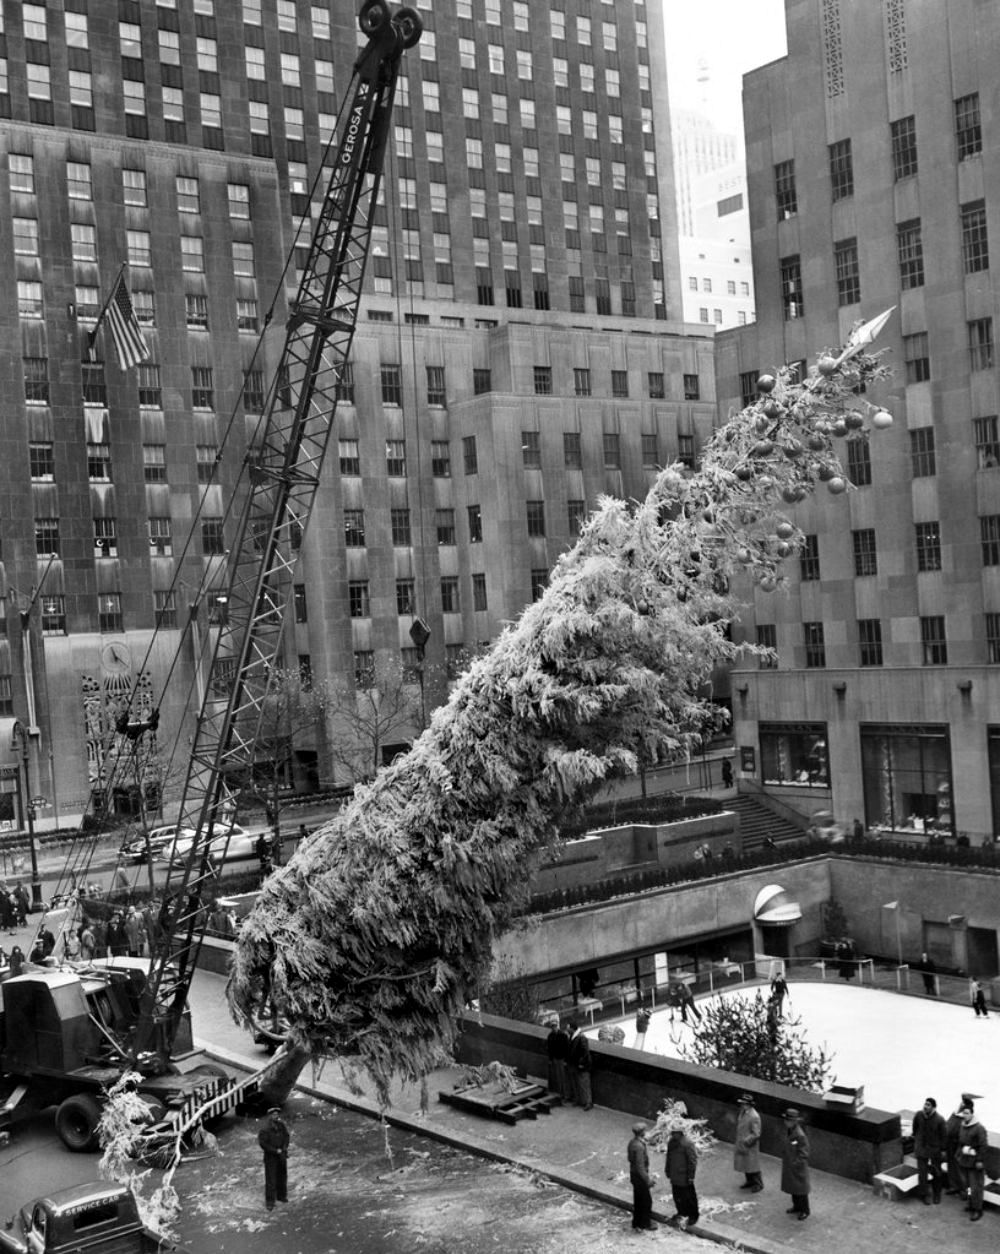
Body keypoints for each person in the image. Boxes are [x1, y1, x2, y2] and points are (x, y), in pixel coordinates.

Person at [956, 1103, 988, 1221]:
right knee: (968, 1186)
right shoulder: (962, 1126)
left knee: (976, 1187)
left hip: (975, 1163)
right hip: (965, 1161)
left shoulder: (979, 1128)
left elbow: (984, 1146)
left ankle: (978, 1209)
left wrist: (979, 1160)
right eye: (963, 1113)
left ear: (972, 1114)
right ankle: (970, 1204)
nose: (964, 1115)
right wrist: (958, 1154)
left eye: (967, 1113)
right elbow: (961, 1142)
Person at [664, 1124, 699, 1231]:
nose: (673, 1135)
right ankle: (681, 1212)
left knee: (689, 1197)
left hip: (684, 1176)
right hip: (675, 1175)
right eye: (672, 1133)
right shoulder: (672, 1142)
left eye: (675, 1133)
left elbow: (692, 1161)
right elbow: (669, 1157)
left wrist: (691, 1176)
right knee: (677, 1196)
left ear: (680, 1133)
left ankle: (693, 1215)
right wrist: (667, 1169)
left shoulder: (687, 1144)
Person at [912, 1096, 946, 1205]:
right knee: (922, 1173)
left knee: (937, 1173)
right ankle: (924, 1195)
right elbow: (915, 1128)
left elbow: (943, 1136)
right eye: (925, 1104)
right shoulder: (918, 1115)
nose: (925, 1107)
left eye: (928, 1105)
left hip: (934, 1151)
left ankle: (937, 1195)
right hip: (921, 1149)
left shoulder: (940, 1120)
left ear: (934, 1107)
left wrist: (942, 1150)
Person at [780, 1108, 811, 1220]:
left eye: (787, 1120)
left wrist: (795, 1164)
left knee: (801, 1191)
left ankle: (805, 1210)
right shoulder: (790, 1131)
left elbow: (804, 1153)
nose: (785, 1122)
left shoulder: (799, 1135)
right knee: (794, 1189)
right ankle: (797, 1207)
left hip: (797, 1168)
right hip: (791, 1165)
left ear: (793, 1122)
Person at [258, 1107, 290, 1211]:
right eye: (274, 1115)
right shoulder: (265, 1129)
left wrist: (284, 1148)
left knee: (282, 1176)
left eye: (277, 1115)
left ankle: (281, 1196)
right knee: (271, 1179)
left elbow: (286, 1136)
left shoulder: (281, 1126)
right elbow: (263, 1144)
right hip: (271, 1157)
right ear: (269, 1116)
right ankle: (270, 1201)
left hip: (281, 1155)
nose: (276, 1116)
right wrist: (275, 1151)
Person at [627, 1121, 657, 1231]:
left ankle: (636, 1222)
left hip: (634, 1175)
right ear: (642, 1133)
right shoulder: (639, 1147)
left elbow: (630, 1159)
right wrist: (648, 1180)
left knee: (638, 1200)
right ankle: (645, 1223)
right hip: (639, 1177)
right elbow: (640, 1167)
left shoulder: (632, 1143)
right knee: (646, 1201)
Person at [734, 1093, 763, 1192]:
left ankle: (758, 1184)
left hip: (749, 1145)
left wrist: (746, 1141)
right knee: (746, 1164)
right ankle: (750, 1181)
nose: (742, 1105)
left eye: (744, 1103)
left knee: (753, 1166)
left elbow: (756, 1133)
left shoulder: (754, 1116)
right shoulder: (744, 1112)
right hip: (742, 1143)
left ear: (749, 1104)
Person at [565, 1020, 593, 1110]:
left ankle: (588, 1102)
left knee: (584, 1084)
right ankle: (579, 1100)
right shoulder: (572, 1037)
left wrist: (582, 1063)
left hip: (581, 1065)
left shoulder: (581, 1037)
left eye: (568, 1028)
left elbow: (585, 1052)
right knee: (577, 1083)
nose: (567, 1029)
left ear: (572, 1029)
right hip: (574, 1064)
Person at [545, 1018, 569, 1099]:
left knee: (564, 1078)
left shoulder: (563, 1035)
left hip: (562, 1059)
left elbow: (566, 1048)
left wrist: (566, 1060)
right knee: (558, 1078)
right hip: (555, 1059)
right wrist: (551, 1059)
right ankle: (561, 1094)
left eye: (555, 1026)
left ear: (557, 1026)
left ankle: (565, 1094)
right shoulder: (550, 1036)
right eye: (552, 1026)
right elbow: (549, 1049)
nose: (553, 1027)